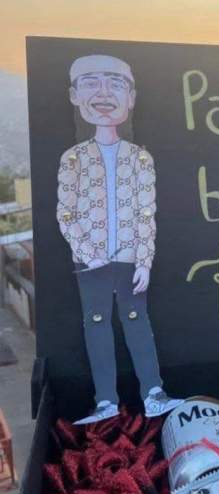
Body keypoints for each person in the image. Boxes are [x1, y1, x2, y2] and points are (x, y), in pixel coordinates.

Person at [56, 54, 183, 423]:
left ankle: (153, 392)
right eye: (91, 83)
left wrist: (144, 261)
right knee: (96, 323)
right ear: (74, 95)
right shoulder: (74, 159)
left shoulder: (139, 159)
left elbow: (146, 213)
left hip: (129, 259)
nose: (103, 93)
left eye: (115, 84)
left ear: (131, 97)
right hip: (90, 262)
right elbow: (66, 213)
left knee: (136, 320)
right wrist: (88, 253)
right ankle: (106, 401)